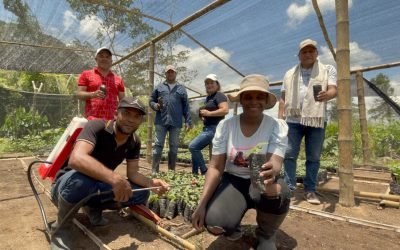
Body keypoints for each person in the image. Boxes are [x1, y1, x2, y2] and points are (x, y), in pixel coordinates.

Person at [50, 96, 169, 249]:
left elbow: (133, 174)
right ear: (115, 114)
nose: (131, 120)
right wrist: (115, 179)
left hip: (96, 187)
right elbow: (76, 159)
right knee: (82, 181)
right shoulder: (97, 127)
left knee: (141, 193)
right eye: (126, 113)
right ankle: (61, 230)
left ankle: (93, 207)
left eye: (136, 116)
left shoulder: (134, 141)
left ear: (141, 121)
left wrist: (152, 183)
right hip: (66, 187)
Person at [192, 74, 290, 249]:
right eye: (248, 97)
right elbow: (215, 167)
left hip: (259, 177)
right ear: (241, 100)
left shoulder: (276, 126)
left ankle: (266, 235)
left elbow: (275, 161)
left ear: (266, 99)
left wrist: (272, 170)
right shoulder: (227, 126)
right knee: (215, 223)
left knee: (278, 192)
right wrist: (202, 204)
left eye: (259, 97)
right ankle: (232, 224)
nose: (254, 101)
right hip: (234, 180)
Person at [278, 39, 337, 205]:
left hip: (316, 119)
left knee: (313, 157)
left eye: (311, 51)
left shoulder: (327, 69)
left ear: (317, 54)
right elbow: (283, 98)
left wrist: (328, 94)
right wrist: (280, 118)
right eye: (304, 51)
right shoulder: (289, 73)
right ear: (299, 55)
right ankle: (289, 188)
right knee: (289, 154)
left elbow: (333, 89)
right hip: (293, 120)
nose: (308, 54)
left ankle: (310, 190)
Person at [149, 65, 193, 174]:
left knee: (174, 146)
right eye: (168, 72)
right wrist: (155, 106)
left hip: (176, 122)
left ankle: (171, 171)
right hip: (161, 121)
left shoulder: (181, 88)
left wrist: (188, 120)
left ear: (175, 73)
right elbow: (151, 99)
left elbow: (186, 106)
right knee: (158, 145)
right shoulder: (159, 87)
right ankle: (155, 171)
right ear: (165, 74)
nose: (170, 74)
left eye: (172, 72)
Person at [189, 74, 228, 175]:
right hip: (207, 128)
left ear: (217, 84)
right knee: (195, 149)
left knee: (193, 146)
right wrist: (203, 115)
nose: (209, 85)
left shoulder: (219, 95)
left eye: (211, 83)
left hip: (214, 129)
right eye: (207, 83)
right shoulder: (208, 98)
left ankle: (205, 171)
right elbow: (210, 111)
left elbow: (225, 110)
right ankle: (194, 174)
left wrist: (209, 113)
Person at [75, 47, 125, 120]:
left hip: (112, 121)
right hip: (92, 119)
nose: (104, 59)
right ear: (96, 59)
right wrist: (93, 94)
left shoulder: (118, 79)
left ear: (111, 60)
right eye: (101, 56)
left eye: (107, 57)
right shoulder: (86, 74)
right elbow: (78, 94)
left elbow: (122, 101)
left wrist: (120, 115)